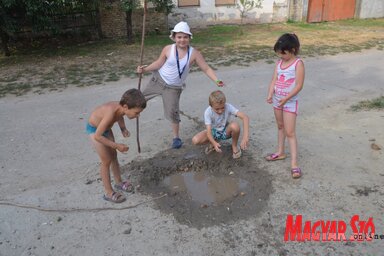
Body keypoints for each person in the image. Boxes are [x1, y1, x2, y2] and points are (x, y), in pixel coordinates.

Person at [137, 21, 224, 149]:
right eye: (179, 37)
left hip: (173, 88)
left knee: (173, 112)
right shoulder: (168, 49)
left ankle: (176, 137)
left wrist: (217, 80)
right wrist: (144, 70)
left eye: (185, 37)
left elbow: (206, 68)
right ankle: (128, 113)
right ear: (174, 37)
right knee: (139, 100)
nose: (182, 40)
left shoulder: (194, 53)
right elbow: (158, 63)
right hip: (158, 80)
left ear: (189, 38)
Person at [86, 89, 147, 203]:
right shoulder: (110, 112)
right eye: (136, 113)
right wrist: (116, 145)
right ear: (125, 106)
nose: (138, 116)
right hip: (95, 131)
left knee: (114, 156)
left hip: (106, 129)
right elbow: (98, 136)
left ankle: (119, 182)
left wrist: (123, 128)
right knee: (106, 160)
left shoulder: (120, 109)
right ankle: (109, 192)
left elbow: (120, 116)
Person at [266, 33, 305, 178]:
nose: (281, 56)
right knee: (280, 126)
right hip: (277, 101)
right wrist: (270, 94)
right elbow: (274, 80)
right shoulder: (279, 63)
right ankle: (280, 152)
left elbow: (299, 85)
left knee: (290, 132)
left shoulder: (298, 64)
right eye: (279, 54)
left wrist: (285, 98)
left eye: (283, 54)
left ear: (293, 50)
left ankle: (294, 164)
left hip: (289, 103)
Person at [192, 90, 249, 159]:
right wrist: (214, 143)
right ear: (211, 106)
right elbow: (209, 132)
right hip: (214, 132)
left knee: (235, 126)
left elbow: (245, 117)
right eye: (217, 109)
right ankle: (214, 143)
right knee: (195, 140)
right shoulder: (208, 112)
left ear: (225, 103)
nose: (220, 111)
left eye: (222, 108)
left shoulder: (228, 106)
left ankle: (234, 146)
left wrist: (245, 137)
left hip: (225, 131)